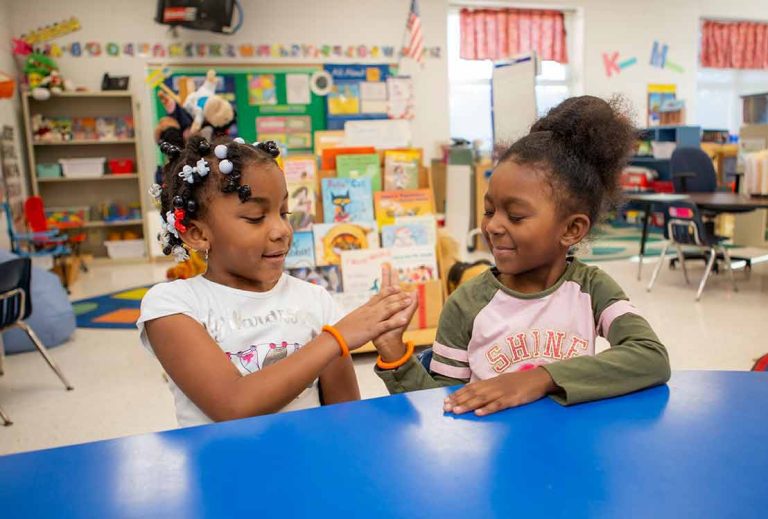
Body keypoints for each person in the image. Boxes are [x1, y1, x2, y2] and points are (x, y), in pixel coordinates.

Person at [372, 96, 671, 416]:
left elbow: (650, 356)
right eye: (489, 211)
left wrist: (539, 379)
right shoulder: (467, 304)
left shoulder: (591, 289)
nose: (493, 226)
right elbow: (441, 407)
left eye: (515, 216)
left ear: (571, 229)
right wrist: (394, 352)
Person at [138, 136, 414, 427]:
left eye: (284, 213)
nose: (281, 230)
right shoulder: (172, 305)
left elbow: (344, 417)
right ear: (196, 233)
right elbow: (233, 404)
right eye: (256, 217)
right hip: (223, 470)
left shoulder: (315, 300)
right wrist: (337, 338)